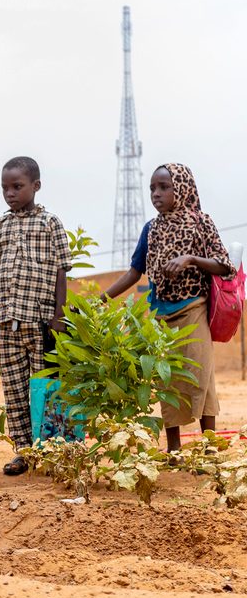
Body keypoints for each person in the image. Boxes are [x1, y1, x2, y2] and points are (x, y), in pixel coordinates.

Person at [102, 163, 232, 452]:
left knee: (200, 375)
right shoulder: (151, 229)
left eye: (164, 187)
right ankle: (174, 449)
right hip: (161, 315)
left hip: (194, 309)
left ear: (181, 188)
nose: (156, 194)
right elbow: (134, 272)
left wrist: (190, 258)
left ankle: (208, 446)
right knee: (166, 380)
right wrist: (101, 299)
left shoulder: (201, 223)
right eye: (152, 188)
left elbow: (224, 265)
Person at [0, 156, 72, 475]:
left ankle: (54, 450)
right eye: (5, 187)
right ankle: (24, 452)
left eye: (17, 186)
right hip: (7, 320)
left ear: (36, 186)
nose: (10, 193)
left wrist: (59, 316)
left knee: (46, 387)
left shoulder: (50, 223)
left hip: (42, 321)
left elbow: (61, 270)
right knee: (15, 390)